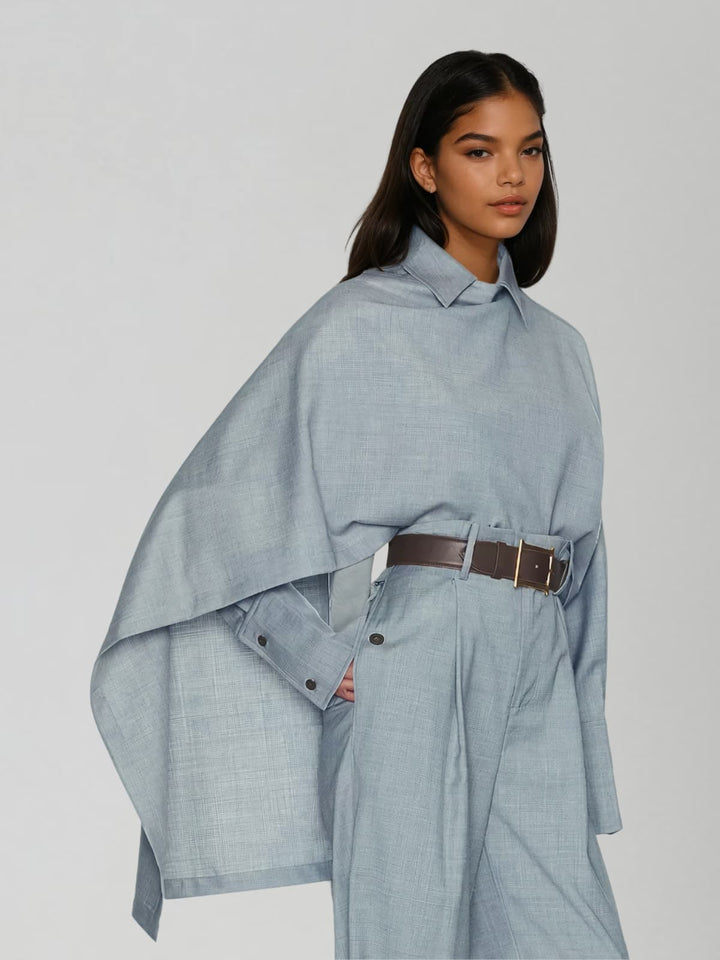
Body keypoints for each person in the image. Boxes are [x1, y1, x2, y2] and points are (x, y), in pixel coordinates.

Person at [90, 50, 629, 960]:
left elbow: (586, 570)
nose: (512, 175)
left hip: (537, 667)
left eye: (530, 150)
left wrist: (584, 748)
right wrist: (328, 666)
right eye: (479, 150)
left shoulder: (559, 350)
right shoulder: (360, 324)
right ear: (425, 168)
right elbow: (214, 530)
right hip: (414, 665)